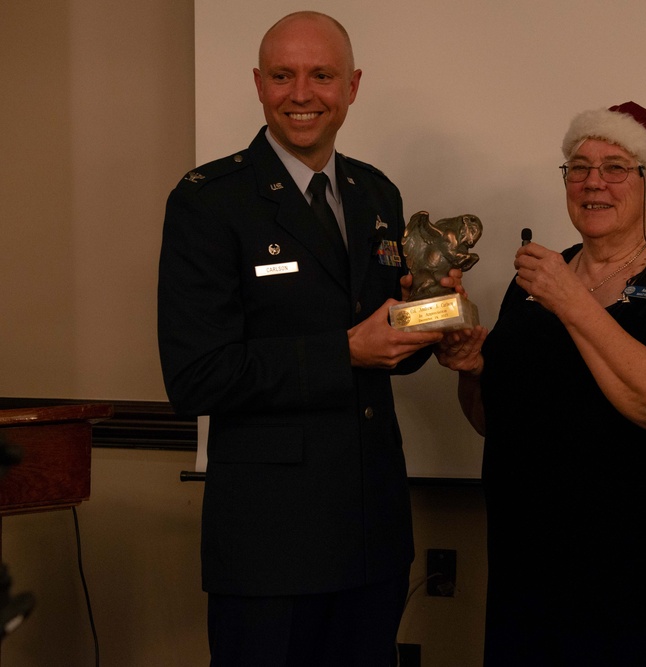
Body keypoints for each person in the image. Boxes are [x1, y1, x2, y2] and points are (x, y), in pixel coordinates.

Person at [157, 11, 463, 666]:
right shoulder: (209, 201)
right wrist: (344, 351)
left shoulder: (375, 193)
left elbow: (382, 345)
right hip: (271, 543)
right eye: (282, 75)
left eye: (321, 75)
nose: (302, 94)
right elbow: (195, 377)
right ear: (258, 84)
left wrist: (426, 317)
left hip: (373, 531)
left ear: (351, 86)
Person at [437, 101, 646, 665]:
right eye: (577, 167)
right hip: (529, 564)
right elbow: (492, 422)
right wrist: (473, 370)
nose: (592, 183)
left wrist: (571, 300)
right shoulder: (534, 281)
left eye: (615, 168)